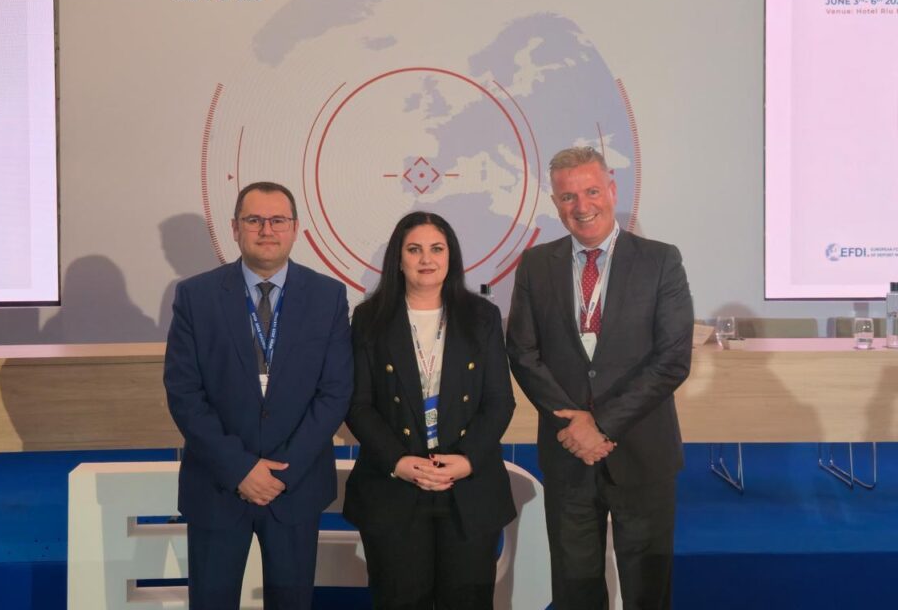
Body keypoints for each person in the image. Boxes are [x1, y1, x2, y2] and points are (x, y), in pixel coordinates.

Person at [506, 147, 692, 610]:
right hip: (568, 453)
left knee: (647, 593)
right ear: (555, 203)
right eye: (568, 196)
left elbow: (672, 359)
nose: (582, 206)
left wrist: (602, 425)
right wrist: (575, 427)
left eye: (591, 191)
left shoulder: (661, 261)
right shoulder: (536, 264)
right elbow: (523, 354)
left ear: (612, 190)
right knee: (574, 590)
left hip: (642, 453)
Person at [163, 181, 352, 610]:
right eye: (254, 220)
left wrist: (282, 472)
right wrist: (240, 468)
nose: (267, 230)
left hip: (294, 487)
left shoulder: (328, 296)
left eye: (277, 220)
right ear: (234, 228)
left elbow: (335, 392)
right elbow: (184, 393)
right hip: (218, 485)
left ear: (295, 228)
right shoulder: (195, 296)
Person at [344, 211, 516, 609]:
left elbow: (499, 401)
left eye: (437, 249)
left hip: (468, 490)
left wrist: (467, 460)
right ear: (398, 258)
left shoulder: (482, 317)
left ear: (451, 256)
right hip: (395, 488)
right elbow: (359, 404)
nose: (426, 259)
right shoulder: (369, 319)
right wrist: (398, 461)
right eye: (414, 249)